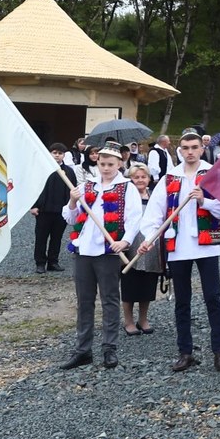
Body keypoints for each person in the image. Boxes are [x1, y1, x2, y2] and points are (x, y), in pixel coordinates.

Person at [139, 131, 220, 374]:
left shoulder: (213, 174)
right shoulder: (169, 177)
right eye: (186, 148)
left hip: (207, 245)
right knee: (182, 301)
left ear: (202, 149)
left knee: (213, 298)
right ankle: (185, 352)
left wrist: (205, 201)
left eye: (194, 147)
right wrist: (150, 238)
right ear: (180, 150)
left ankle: (219, 351)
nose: (190, 151)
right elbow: (154, 213)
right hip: (178, 247)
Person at [59, 144, 146, 370]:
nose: (106, 168)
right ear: (97, 163)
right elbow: (70, 218)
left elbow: (135, 218)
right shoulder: (86, 185)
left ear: (119, 164)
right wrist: (72, 201)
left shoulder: (126, 188)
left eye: (110, 164)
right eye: (102, 163)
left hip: (108, 251)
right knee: (84, 301)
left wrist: (125, 242)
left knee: (109, 300)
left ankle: (109, 348)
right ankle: (83, 350)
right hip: (83, 251)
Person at [122, 163, 165, 335]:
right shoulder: (125, 197)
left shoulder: (155, 196)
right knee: (130, 283)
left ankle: (143, 319)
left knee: (148, 282)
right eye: (136, 177)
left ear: (149, 178)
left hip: (151, 244)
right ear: (130, 179)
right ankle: (128, 320)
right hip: (132, 244)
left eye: (143, 177)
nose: (140, 180)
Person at [31, 142, 79, 272]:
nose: (57, 155)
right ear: (50, 153)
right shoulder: (42, 169)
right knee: (41, 237)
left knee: (57, 238)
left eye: (60, 153)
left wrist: (71, 207)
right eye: (54, 153)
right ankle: (40, 263)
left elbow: (73, 190)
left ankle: (53, 261)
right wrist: (34, 206)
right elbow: (34, 188)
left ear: (64, 155)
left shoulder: (69, 171)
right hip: (44, 209)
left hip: (61, 210)